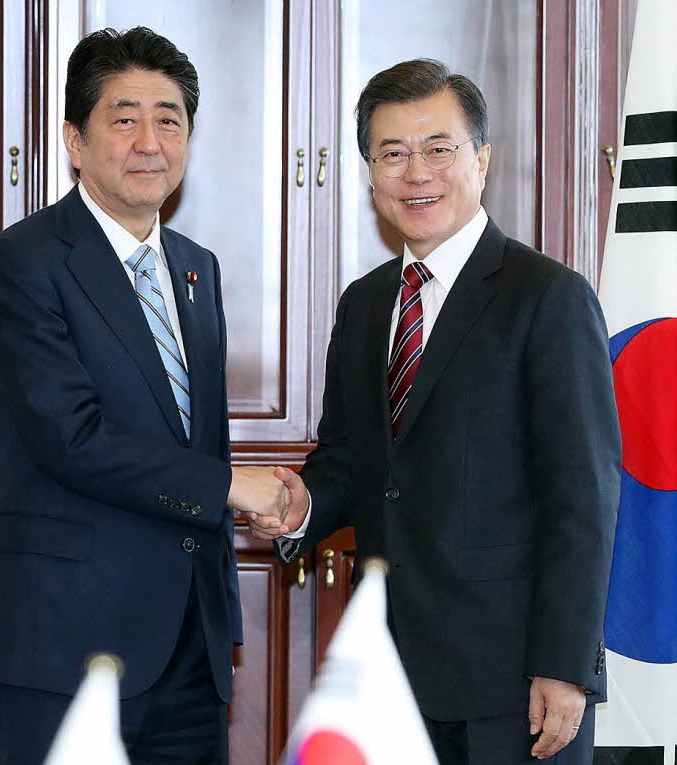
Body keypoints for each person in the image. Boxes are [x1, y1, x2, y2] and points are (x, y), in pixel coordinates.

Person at [250, 59, 621, 764]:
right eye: (393, 153)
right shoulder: (363, 305)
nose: (415, 171)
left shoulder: (547, 297)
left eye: (438, 148)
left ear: (481, 160)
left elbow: (584, 494)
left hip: (511, 680)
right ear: (369, 173)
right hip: (386, 679)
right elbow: (348, 463)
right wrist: (301, 505)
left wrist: (566, 664)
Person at [0, 27, 287, 764]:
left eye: (170, 118)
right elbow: (70, 438)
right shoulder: (23, 262)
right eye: (124, 118)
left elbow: (194, 436)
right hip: (65, 646)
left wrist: (249, 499)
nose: (151, 140)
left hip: (190, 646)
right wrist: (231, 488)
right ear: (74, 142)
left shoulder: (196, 268)